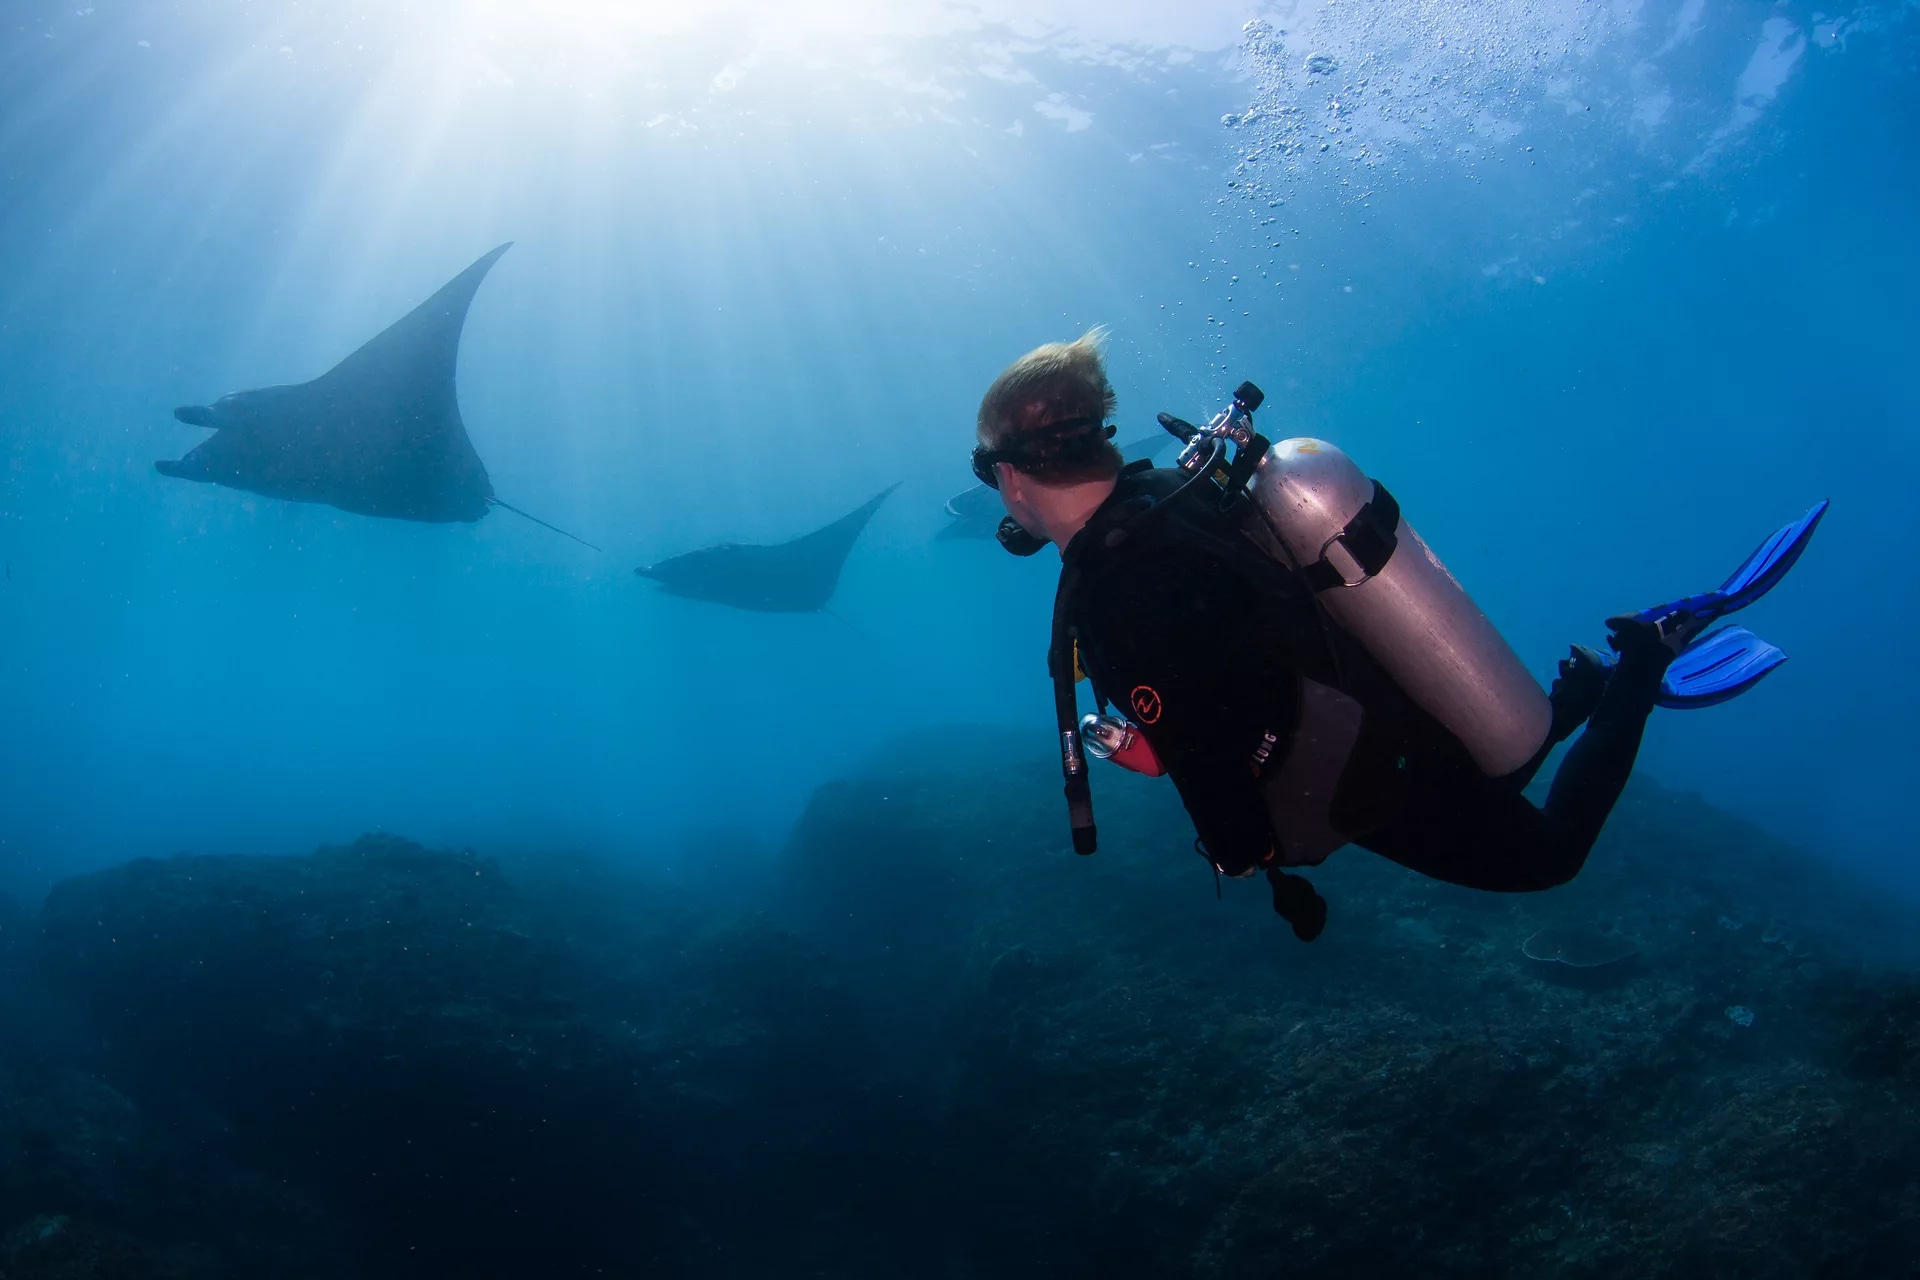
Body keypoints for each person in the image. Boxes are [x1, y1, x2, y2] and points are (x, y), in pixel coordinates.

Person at [972, 330, 1818, 940]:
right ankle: (1580, 697)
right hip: (1380, 695)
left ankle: (1639, 666)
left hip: (1357, 773)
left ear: (1010, 476)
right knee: (1500, 771)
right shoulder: (1170, 491)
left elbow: (1206, 737)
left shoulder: (1115, 587)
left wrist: (1240, 853)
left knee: (1549, 855)